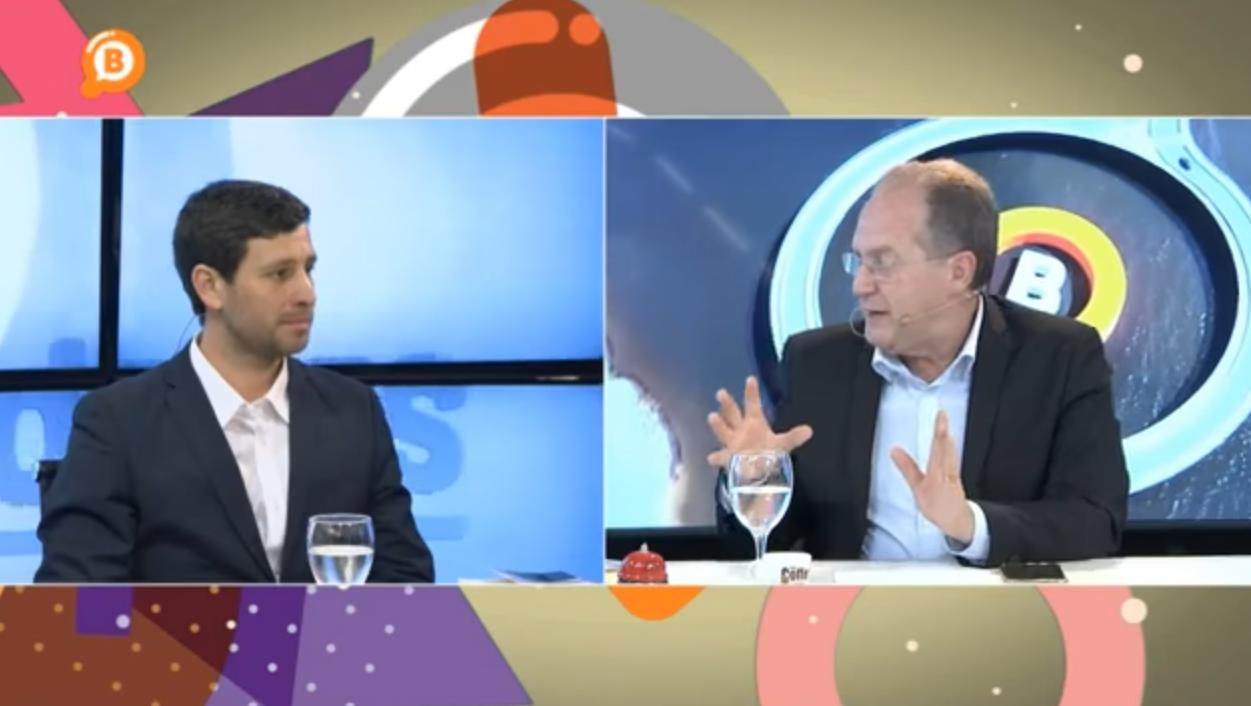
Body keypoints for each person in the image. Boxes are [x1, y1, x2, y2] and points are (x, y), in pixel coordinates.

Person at [709, 159, 1129, 566]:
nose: (860, 285)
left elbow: (1095, 521)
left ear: (959, 271)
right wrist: (756, 482)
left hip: (998, 609)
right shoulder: (818, 363)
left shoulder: (1059, 357)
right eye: (859, 261)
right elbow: (765, 550)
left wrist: (971, 526)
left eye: (882, 263)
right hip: (854, 609)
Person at [36, 180, 434, 583]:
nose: (307, 293)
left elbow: (406, 579)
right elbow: (76, 597)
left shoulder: (354, 410)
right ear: (209, 286)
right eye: (280, 274)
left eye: (308, 269)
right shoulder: (118, 421)